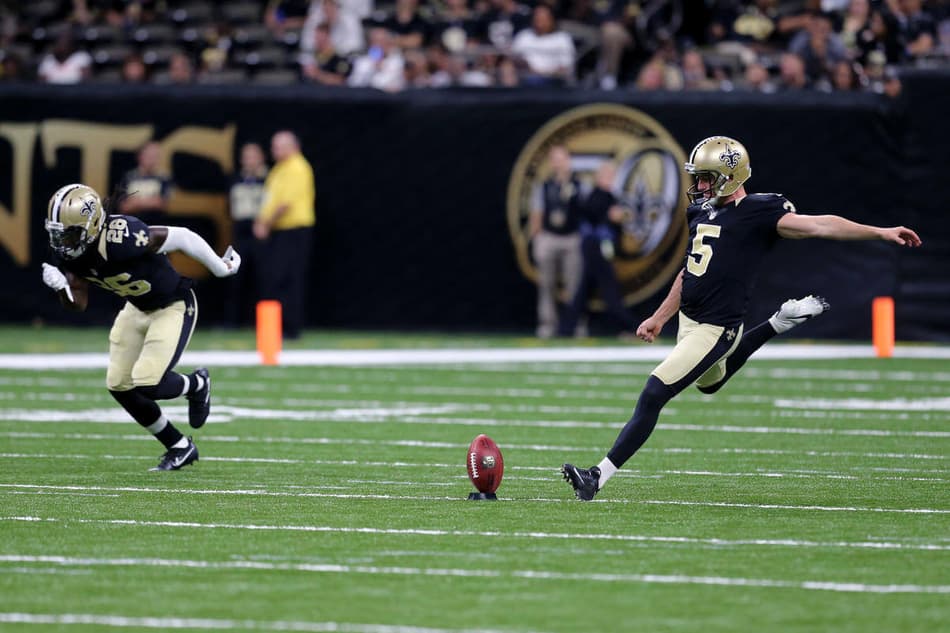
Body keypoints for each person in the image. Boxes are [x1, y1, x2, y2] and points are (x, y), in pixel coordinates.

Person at [561, 135, 922, 500]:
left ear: (728, 177)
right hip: (690, 321)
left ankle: (596, 477)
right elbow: (689, 271)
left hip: (717, 329)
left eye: (706, 178)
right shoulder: (700, 211)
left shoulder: (758, 212)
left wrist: (879, 232)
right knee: (709, 384)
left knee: (654, 393)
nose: (699, 186)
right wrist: (659, 316)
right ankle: (776, 323)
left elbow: (820, 226)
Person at [40, 183, 241, 471]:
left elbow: (182, 237)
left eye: (69, 234)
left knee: (147, 382)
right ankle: (180, 447)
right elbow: (79, 302)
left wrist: (220, 268)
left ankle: (197, 384)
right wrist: (62, 289)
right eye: (58, 234)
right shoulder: (72, 252)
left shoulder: (122, 236)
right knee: (119, 384)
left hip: (172, 305)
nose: (63, 243)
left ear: (93, 225)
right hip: (136, 307)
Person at [558, 161, 637, 338]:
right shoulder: (597, 195)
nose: (611, 179)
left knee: (583, 290)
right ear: (600, 177)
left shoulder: (608, 195)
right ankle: (629, 327)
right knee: (609, 289)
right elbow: (591, 216)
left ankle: (565, 329)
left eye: (612, 176)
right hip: (595, 247)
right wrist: (610, 216)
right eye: (608, 176)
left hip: (597, 247)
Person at [254, 130, 316, 339]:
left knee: (288, 280)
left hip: (293, 231)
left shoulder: (297, 167)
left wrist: (265, 224)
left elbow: (284, 204)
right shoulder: (280, 168)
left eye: (278, 146)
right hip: (280, 231)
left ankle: (290, 328)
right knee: (276, 278)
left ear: (292, 146)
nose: (274, 151)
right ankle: (276, 327)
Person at [530, 145, 582, 339]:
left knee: (574, 284)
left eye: (561, 159)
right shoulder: (544, 185)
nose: (558, 163)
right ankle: (547, 324)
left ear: (568, 160)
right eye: (555, 159)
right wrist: (537, 238)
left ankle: (573, 323)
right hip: (549, 236)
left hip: (571, 237)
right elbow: (537, 212)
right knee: (546, 284)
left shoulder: (578, 184)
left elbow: (584, 211)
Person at [223, 142, 269, 326]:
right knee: (235, 277)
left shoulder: (269, 178)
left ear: (261, 158)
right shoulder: (235, 179)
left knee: (263, 278)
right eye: (246, 156)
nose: (250, 160)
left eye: (254, 156)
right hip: (240, 231)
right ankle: (231, 321)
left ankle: (263, 322)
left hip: (260, 231)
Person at [118, 141, 172, 226]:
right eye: (149, 156)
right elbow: (123, 206)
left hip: (156, 225)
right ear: (140, 156)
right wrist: (150, 200)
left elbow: (162, 203)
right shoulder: (128, 177)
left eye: (156, 156)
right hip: (132, 225)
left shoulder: (164, 178)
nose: (152, 160)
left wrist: (136, 202)